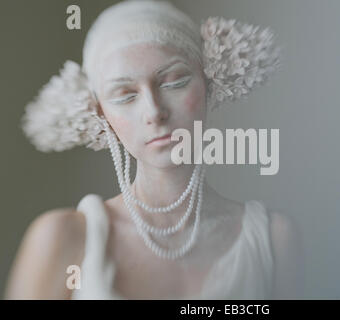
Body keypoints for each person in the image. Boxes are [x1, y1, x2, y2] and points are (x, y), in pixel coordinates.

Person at [5, 0, 303, 299]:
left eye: (175, 81)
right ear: (100, 112)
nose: (154, 112)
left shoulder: (272, 240)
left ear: (208, 82)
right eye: (125, 95)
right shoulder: (64, 237)